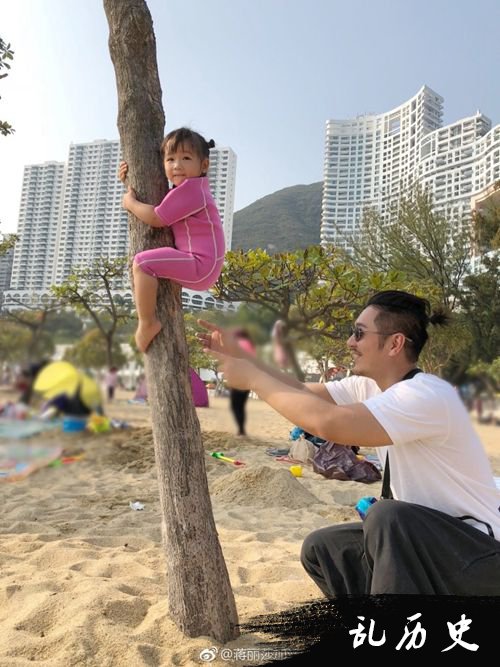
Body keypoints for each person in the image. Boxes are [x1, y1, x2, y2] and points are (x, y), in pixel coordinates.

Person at [198, 290, 500, 595]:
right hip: (429, 547)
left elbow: (329, 423)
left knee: (386, 517)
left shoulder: (426, 395)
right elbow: (300, 391)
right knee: (324, 549)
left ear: (395, 343)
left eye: (359, 333)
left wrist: (252, 378)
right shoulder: (369, 386)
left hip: (480, 558)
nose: (350, 342)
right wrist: (246, 358)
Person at [119, 127, 225, 352]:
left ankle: (147, 323)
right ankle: (147, 322)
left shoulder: (193, 191)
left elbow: (157, 217)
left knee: (142, 263)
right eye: (170, 159)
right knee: (146, 264)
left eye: (186, 158)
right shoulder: (186, 190)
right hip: (201, 265)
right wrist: (127, 181)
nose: (177, 165)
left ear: (203, 165)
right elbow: (160, 200)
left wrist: (130, 203)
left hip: (200, 265)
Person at [228, 328, 256, 436]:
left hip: (238, 380)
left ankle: (241, 429)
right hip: (247, 380)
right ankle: (241, 429)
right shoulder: (251, 347)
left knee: (235, 406)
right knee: (241, 406)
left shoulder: (238, 345)